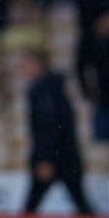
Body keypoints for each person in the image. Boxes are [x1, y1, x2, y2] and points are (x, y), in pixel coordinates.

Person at [21, 48, 94, 214]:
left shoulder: (41, 91)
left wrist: (45, 159)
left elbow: (48, 128)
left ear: (37, 65)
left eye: (26, 64)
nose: (23, 69)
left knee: (31, 207)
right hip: (67, 157)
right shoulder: (56, 88)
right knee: (81, 204)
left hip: (55, 158)